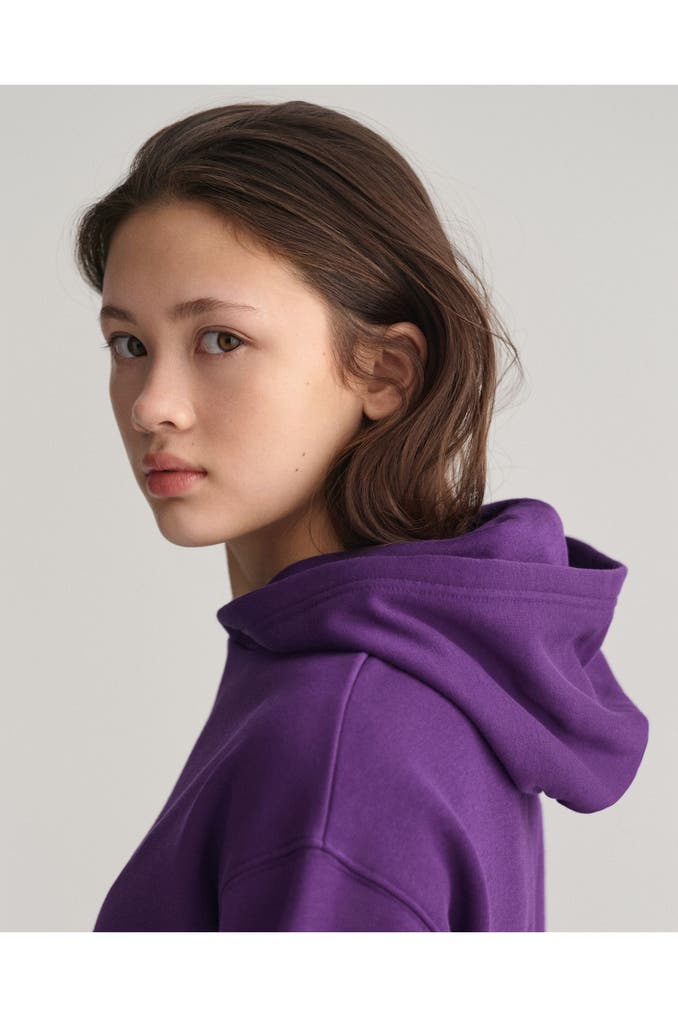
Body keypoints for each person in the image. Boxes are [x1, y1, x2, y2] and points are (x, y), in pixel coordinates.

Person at [73, 99, 649, 932]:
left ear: (384, 372)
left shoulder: (339, 742)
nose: (150, 405)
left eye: (221, 340)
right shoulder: (369, 674)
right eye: (129, 344)